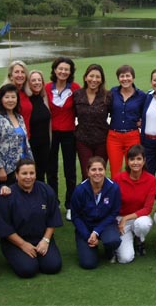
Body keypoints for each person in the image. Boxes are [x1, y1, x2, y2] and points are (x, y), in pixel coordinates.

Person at [0, 158, 63, 278]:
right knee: (28, 270)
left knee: (52, 266)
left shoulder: (46, 190)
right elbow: (4, 227)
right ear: (16, 175)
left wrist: (46, 241)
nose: (28, 177)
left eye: (32, 173)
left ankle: (39, 253)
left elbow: (53, 218)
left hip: (41, 239)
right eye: (24, 173)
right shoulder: (7, 195)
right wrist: (22, 245)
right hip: (16, 242)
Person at [45, 57, 81, 220]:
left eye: (67, 69)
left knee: (70, 170)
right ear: (54, 70)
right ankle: (54, 203)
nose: (63, 72)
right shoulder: (46, 88)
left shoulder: (75, 88)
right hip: (50, 134)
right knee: (51, 170)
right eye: (60, 68)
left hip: (69, 133)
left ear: (71, 72)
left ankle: (70, 205)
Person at [71, 157, 121, 269]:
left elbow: (114, 213)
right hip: (85, 226)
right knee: (88, 264)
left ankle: (109, 250)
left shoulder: (114, 188)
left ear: (105, 171)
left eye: (100, 169)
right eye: (93, 170)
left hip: (106, 224)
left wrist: (97, 231)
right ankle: (90, 246)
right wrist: (87, 235)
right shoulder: (79, 190)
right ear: (87, 172)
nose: (97, 173)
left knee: (113, 240)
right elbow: (75, 216)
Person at [113, 145, 156, 263]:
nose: (135, 162)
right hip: (121, 219)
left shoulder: (151, 179)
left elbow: (147, 209)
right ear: (127, 161)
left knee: (143, 224)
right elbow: (112, 204)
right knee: (125, 258)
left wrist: (126, 218)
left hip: (139, 217)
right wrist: (117, 221)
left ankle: (139, 239)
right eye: (132, 159)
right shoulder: (118, 178)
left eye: (138, 159)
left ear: (144, 160)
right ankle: (125, 240)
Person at [0, 84, 33, 189]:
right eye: (7, 97)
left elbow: (25, 143)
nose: (10, 100)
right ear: (1, 99)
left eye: (13, 97)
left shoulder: (19, 117)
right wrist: (0, 168)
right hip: (6, 170)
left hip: (22, 167)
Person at [73, 64, 111, 181]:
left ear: (102, 80)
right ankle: (87, 198)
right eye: (91, 76)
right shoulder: (77, 94)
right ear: (85, 77)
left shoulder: (107, 96)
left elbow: (117, 113)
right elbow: (71, 113)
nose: (94, 79)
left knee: (99, 173)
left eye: (98, 77)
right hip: (83, 140)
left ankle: (100, 198)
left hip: (102, 140)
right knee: (87, 173)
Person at [107, 65, 146, 177]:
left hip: (132, 135)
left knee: (134, 168)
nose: (125, 79)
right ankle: (116, 194)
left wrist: (142, 122)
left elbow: (147, 113)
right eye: (121, 76)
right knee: (115, 170)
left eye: (127, 76)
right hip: (114, 136)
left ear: (133, 78)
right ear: (118, 78)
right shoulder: (113, 92)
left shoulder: (141, 95)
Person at [0, 60, 33, 137]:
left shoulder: (27, 92)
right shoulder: (2, 92)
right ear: (10, 76)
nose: (20, 75)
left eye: (23, 72)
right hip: (9, 139)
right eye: (17, 72)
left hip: (26, 137)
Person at [26, 70, 51, 184]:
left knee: (41, 175)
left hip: (44, 144)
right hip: (31, 145)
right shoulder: (25, 100)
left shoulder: (43, 98)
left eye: (39, 80)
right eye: (33, 80)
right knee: (30, 176)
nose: (37, 83)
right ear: (28, 83)